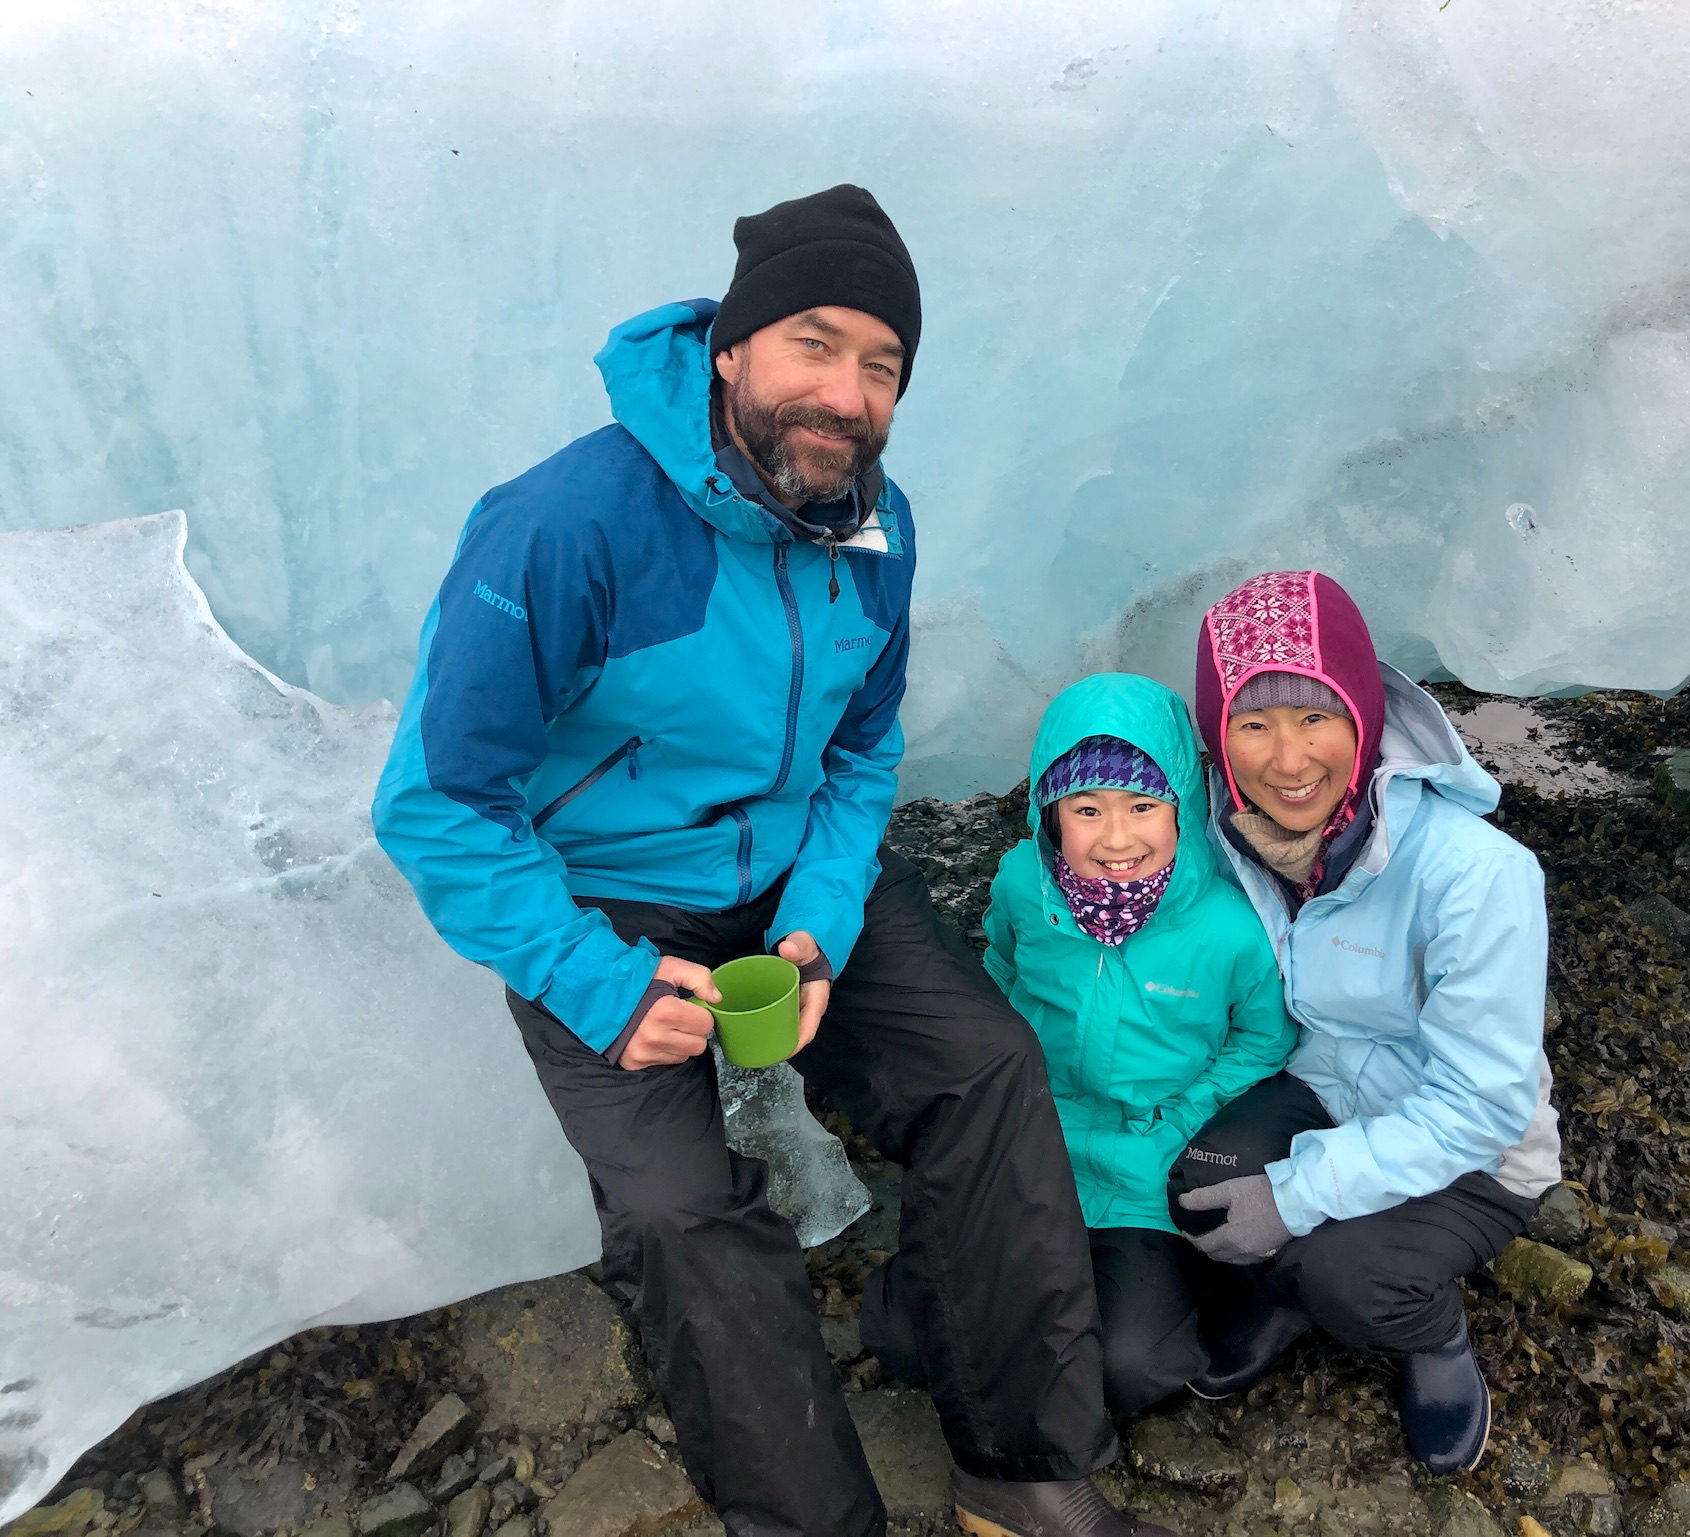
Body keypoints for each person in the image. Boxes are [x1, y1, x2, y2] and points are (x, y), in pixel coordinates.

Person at [374, 185, 1168, 1537]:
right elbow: (439, 801)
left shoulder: (877, 526)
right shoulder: (567, 525)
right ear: (731, 346)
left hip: (793, 870)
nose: (846, 394)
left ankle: (1019, 1462)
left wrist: (818, 922)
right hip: (609, 902)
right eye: (815, 344)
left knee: (982, 1068)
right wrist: (596, 981)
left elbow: (861, 747)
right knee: (682, 1212)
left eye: (882, 365)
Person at [1168, 570, 1561, 1476]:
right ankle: (1286, 1295)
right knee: (1197, 1182)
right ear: (1218, 736)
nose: (1287, 759)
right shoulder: (1238, 832)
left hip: (1475, 1149)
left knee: (1346, 1272)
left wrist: (1294, 1195)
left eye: (1315, 716)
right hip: (1326, 1085)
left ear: (1363, 712)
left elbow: (1482, 1104)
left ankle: (1429, 1333)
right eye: (1252, 724)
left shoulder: (1477, 873)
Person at [862, 673, 1293, 1417]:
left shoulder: (1230, 926)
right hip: (1028, 1145)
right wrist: (994, 1093)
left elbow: (1264, 1038)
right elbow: (1000, 970)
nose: (1117, 839)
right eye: (1086, 809)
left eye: (1143, 806)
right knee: (907, 1336)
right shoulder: (1023, 885)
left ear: (1183, 807)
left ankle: (1198, 1291)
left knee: (1125, 1368)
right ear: (1049, 812)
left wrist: (1183, 1117)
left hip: (1148, 1168)